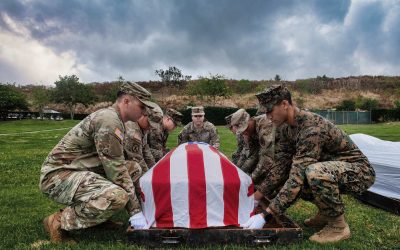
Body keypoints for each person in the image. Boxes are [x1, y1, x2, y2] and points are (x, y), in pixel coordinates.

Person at [243, 85, 375, 244]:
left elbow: (297, 175)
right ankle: (325, 212)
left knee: (312, 173)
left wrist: (266, 214)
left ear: (285, 104)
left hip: (359, 171)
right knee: (297, 177)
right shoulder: (284, 128)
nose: (268, 116)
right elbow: (281, 166)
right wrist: (257, 197)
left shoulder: (311, 127)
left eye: (270, 111)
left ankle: (338, 226)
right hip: (331, 168)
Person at [39, 82, 158, 243]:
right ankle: (59, 221)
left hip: (78, 170)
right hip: (58, 176)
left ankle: (97, 218)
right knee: (116, 196)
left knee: (134, 168)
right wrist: (135, 211)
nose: (144, 111)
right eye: (141, 106)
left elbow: (123, 163)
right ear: (126, 101)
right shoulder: (109, 121)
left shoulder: (116, 119)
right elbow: (116, 170)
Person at [229, 109, 275, 187]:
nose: (244, 132)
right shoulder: (248, 132)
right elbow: (252, 154)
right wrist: (239, 172)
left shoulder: (265, 126)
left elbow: (267, 159)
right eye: (242, 131)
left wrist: (250, 179)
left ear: (250, 120)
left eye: (245, 128)